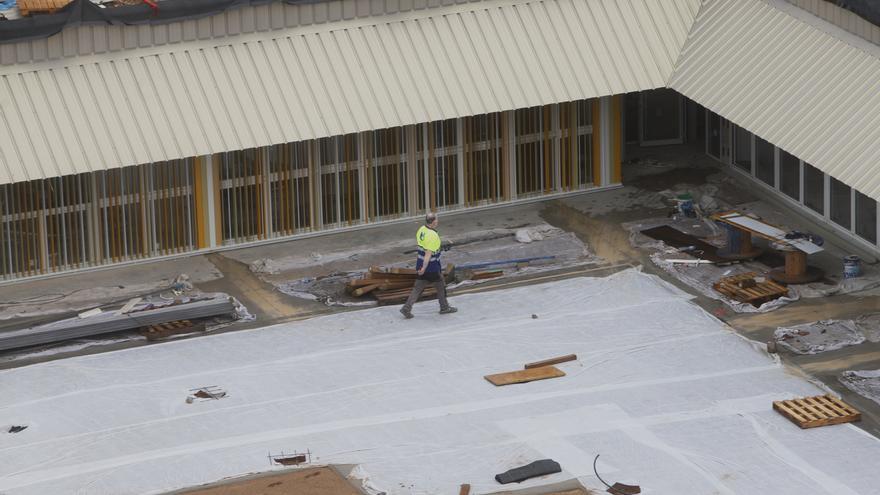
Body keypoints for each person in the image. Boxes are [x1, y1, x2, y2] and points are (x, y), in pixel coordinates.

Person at [400, 213, 457, 319]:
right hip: (431, 266)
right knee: (440, 285)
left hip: (420, 263)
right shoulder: (433, 235)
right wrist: (424, 268)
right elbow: (428, 253)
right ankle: (444, 307)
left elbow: (426, 247)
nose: (438, 221)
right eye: (437, 220)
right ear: (434, 222)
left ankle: (406, 308)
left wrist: (442, 248)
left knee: (418, 288)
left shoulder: (421, 230)